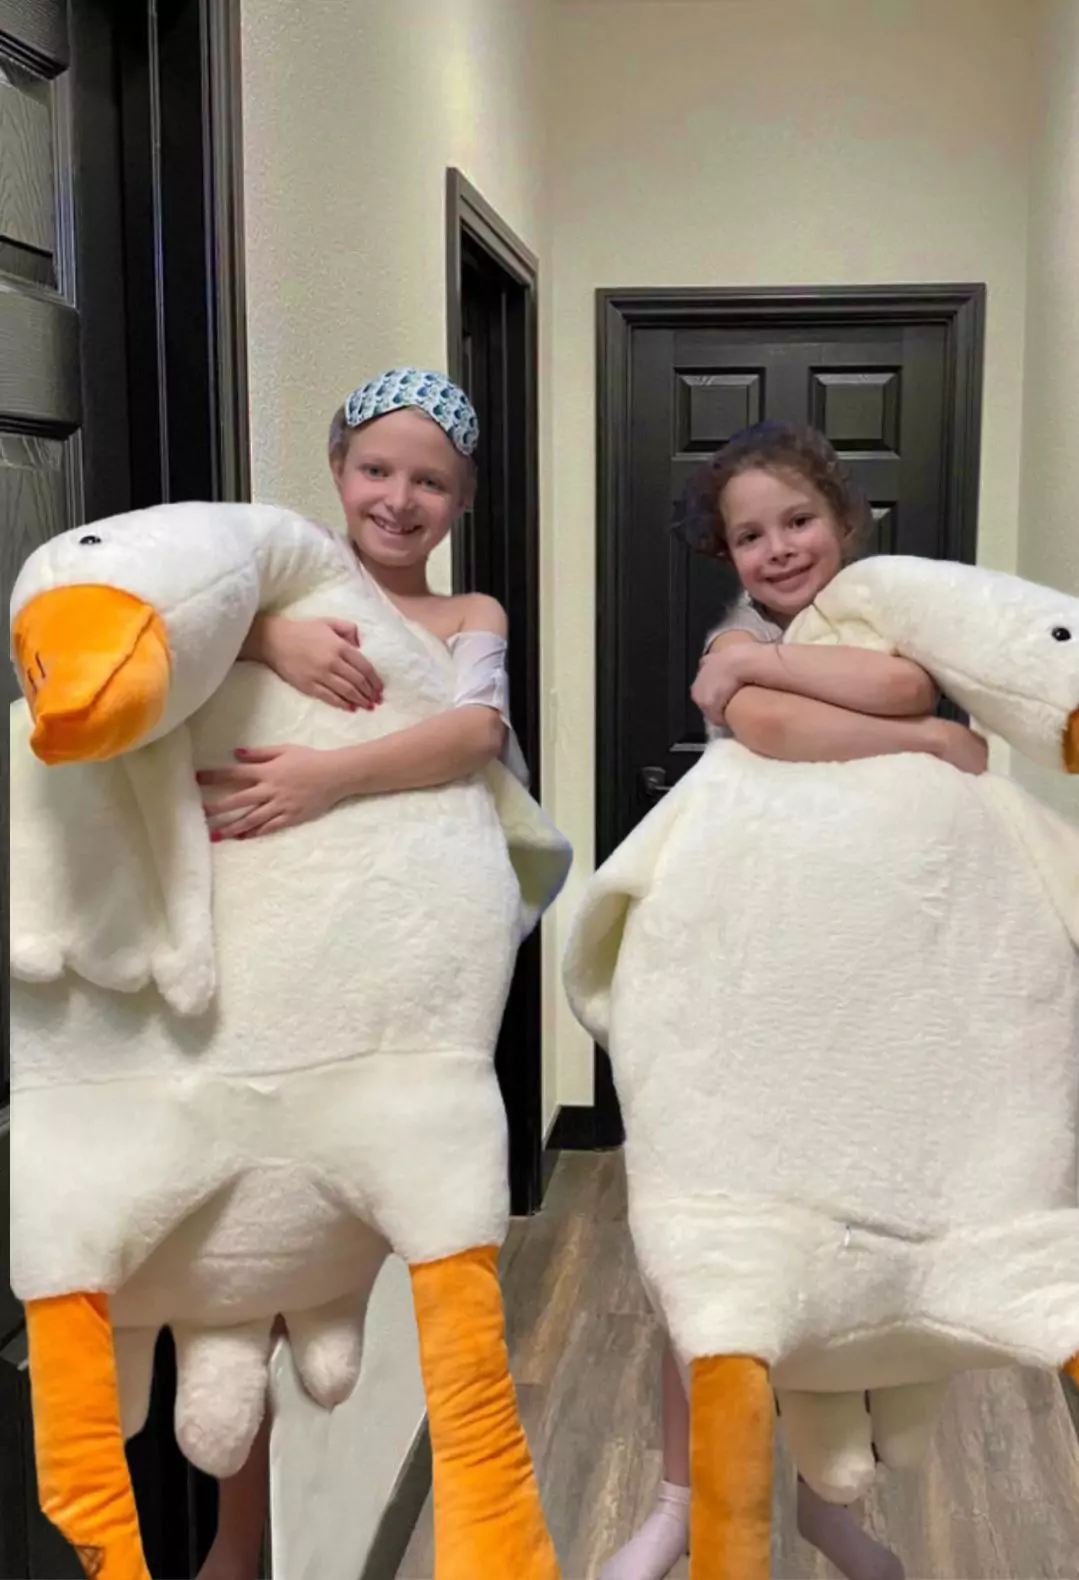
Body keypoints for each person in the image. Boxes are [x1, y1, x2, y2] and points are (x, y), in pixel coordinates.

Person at [601, 421, 986, 1580]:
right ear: (725, 554)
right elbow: (769, 724)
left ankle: (827, 1502)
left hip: (869, 984)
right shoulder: (736, 638)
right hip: (747, 980)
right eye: (749, 535)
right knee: (707, 1256)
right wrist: (924, 738)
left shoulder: (889, 615)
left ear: (846, 519)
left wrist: (900, 707)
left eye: (798, 520)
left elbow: (901, 677)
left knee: (841, 1250)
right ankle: (682, 1497)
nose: (777, 549)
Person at [196, 368, 519, 1580]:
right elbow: (157, 628)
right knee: (241, 1270)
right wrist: (266, 632)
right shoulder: (281, 583)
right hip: (266, 961)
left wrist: (326, 778)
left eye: (430, 480)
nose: (399, 497)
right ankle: (236, 1542)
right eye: (377, 468)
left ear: (461, 500)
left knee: (402, 1227)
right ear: (337, 469)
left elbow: (476, 732)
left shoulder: (468, 612)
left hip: (392, 971)